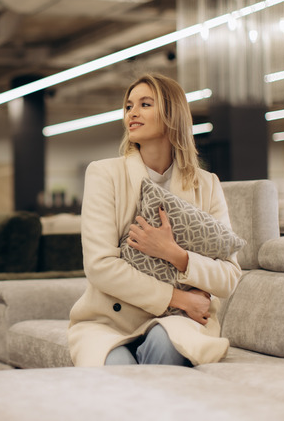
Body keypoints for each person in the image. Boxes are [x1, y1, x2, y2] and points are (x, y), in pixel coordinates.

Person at [67, 73, 242, 367]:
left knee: (165, 347)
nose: (132, 113)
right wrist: (180, 298)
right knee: (118, 370)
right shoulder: (104, 174)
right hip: (109, 321)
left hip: (177, 322)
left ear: (172, 113)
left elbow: (229, 277)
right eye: (128, 106)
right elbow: (99, 267)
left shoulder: (207, 184)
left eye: (145, 104)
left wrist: (175, 254)